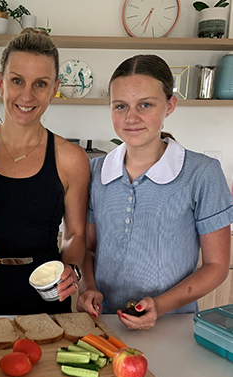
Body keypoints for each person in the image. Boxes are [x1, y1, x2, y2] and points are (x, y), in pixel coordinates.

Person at [77, 54, 233, 330]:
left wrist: (160, 305)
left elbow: (216, 266)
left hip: (171, 326)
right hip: (103, 323)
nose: (131, 117)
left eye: (145, 105)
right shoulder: (96, 171)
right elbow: (88, 249)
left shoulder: (202, 173)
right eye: (120, 106)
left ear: (170, 105)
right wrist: (87, 287)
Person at [0, 28, 90, 315]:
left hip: (49, 295)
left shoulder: (71, 158)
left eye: (40, 84)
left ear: (54, 88)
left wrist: (72, 268)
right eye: (17, 81)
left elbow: (75, 233)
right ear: (0, 82)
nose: (27, 95)